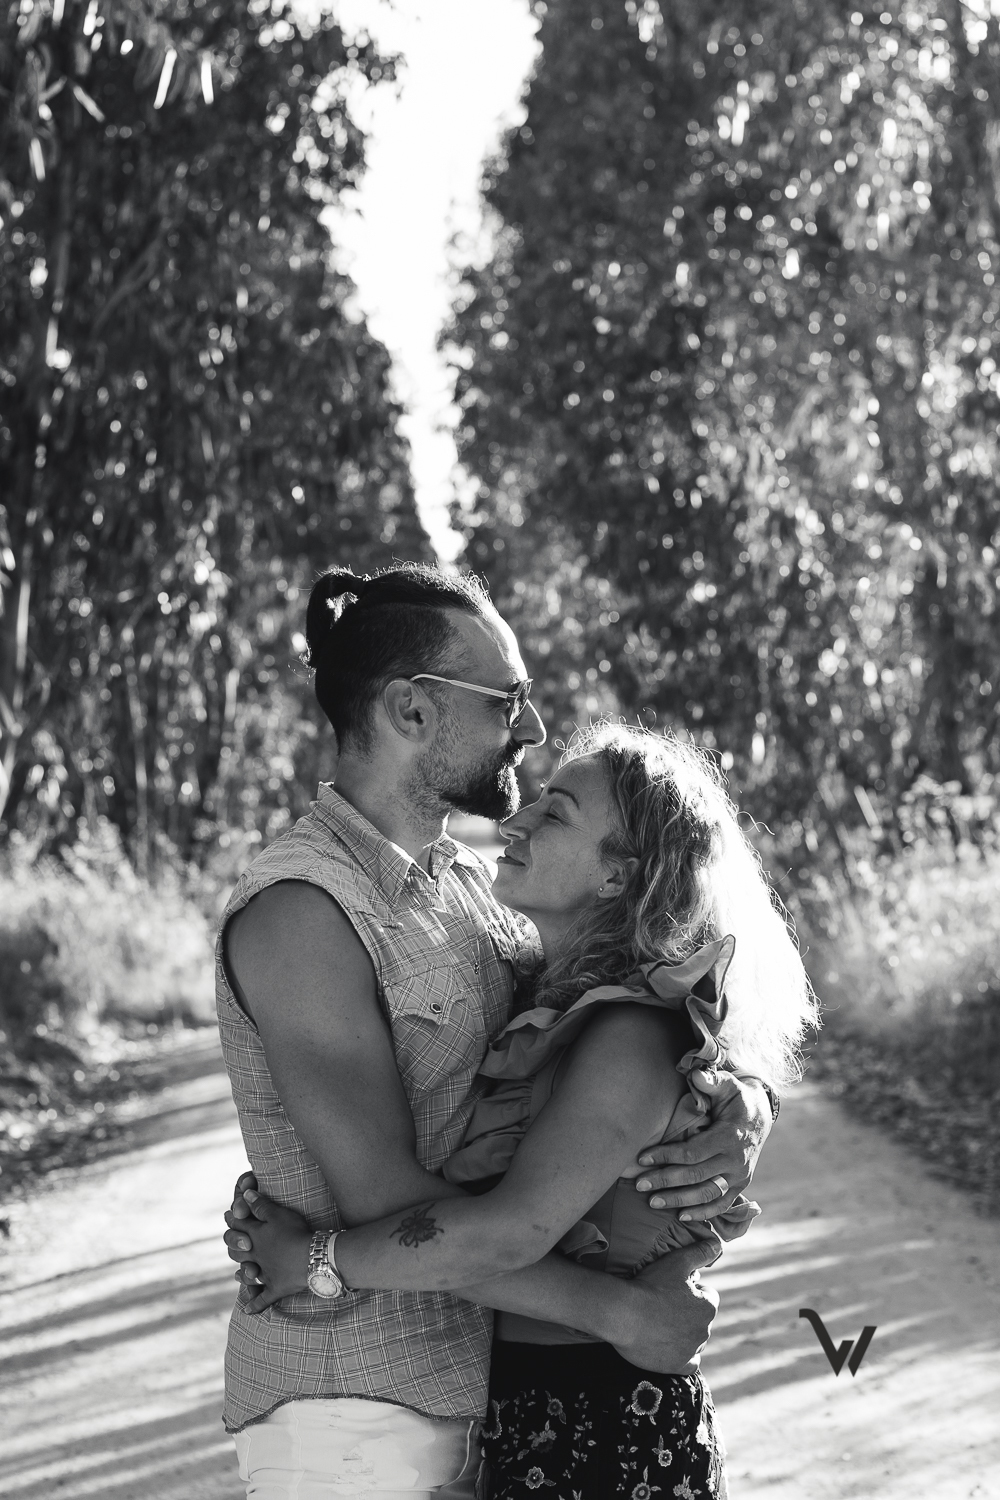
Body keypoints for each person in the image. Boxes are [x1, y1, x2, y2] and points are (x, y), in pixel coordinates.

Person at [215, 564, 777, 1499]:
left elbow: (616, 1021)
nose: (532, 727)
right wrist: (620, 1313)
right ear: (411, 711)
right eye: (506, 698)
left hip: (486, 1408)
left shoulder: (468, 894)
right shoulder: (302, 912)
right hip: (354, 1414)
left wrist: (737, 1107)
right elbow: (384, 1201)